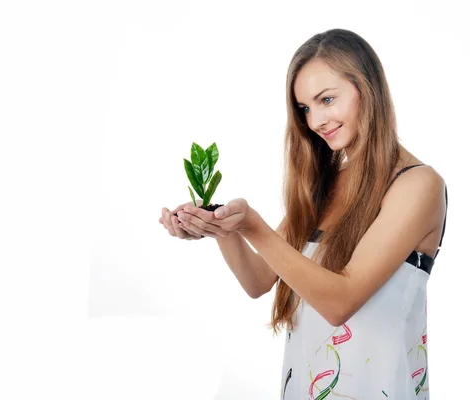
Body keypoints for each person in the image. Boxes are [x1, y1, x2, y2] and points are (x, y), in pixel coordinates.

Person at [158, 28, 448, 399]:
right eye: (305, 109)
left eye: (327, 99)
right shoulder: (325, 186)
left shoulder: (417, 185)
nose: (315, 121)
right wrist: (221, 227)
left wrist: (254, 225)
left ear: (368, 88)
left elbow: (340, 302)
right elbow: (258, 280)